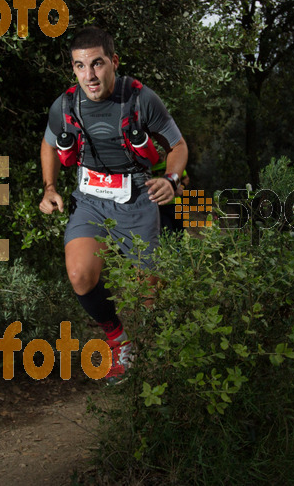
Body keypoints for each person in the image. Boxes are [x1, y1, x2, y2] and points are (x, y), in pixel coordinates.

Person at [38, 26, 188, 383]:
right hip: (89, 200)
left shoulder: (140, 99)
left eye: (97, 64)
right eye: (79, 66)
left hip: (138, 198)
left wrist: (170, 180)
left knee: (149, 296)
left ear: (114, 62)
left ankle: (156, 364)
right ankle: (119, 342)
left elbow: (177, 146)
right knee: (80, 276)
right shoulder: (65, 105)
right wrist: (49, 187)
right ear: (73, 69)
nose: (89, 75)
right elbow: (48, 144)